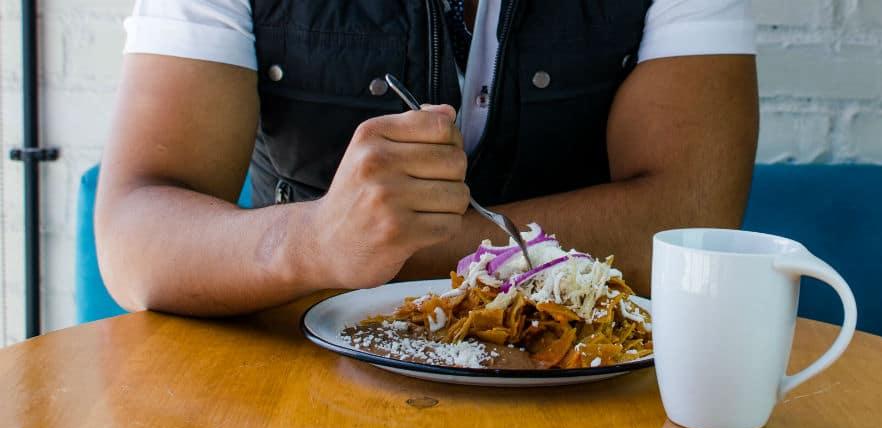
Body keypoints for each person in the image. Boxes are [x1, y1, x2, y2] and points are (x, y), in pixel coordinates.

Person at [97, 0, 759, 316]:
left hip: (580, 382)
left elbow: (689, 221)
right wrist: (315, 241)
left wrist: (362, 249)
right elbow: (135, 233)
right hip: (297, 380)